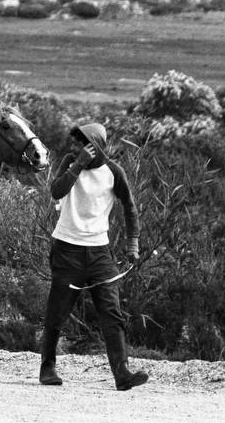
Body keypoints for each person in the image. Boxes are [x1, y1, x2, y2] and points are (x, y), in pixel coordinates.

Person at [39, 123, 149, 391]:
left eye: (82, 143)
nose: (75, 147)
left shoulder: (113, 171)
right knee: (57, 313)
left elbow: (130, 208)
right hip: (67, 249)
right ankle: (47, 368)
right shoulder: (69, 162)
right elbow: (56, 191)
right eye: (75, 142)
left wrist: (133, 243)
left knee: (112, 312)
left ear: (96, 146)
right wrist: (77, 164)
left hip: (100, 252)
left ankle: (122, 374)